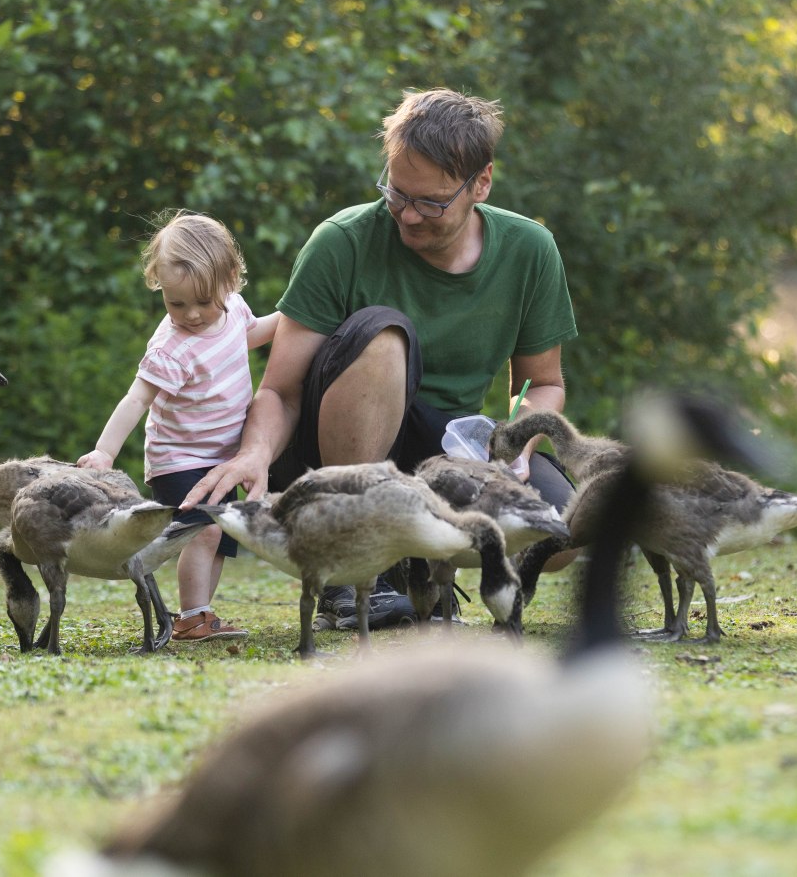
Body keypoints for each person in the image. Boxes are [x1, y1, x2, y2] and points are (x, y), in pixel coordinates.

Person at [187, 87, 579, 630]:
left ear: (481, 184)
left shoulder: (530, 251)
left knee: (561, 530)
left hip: (447, 451)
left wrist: (514, 443)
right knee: (384, 335)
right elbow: (280, 389)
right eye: (397, 194)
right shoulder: (342, 241)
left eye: (431, 203)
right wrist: (253, 454)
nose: (410, 217)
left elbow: (542, 383)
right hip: (332, 458)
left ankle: (418, 567)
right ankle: (351, 568)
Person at [78, 211, 280, 642]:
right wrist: (104, 452)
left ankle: (201, 613)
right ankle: (192, 616)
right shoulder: (171, 348)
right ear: (160, 288)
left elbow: (255, 333)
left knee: (220, 537)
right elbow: (137, 399)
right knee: (202, 534)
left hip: (224, 456)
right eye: (176, 303)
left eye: (203, 302)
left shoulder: (233, 311)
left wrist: (298, 316)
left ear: (230, 279)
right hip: (180, 457)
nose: (190, 315)